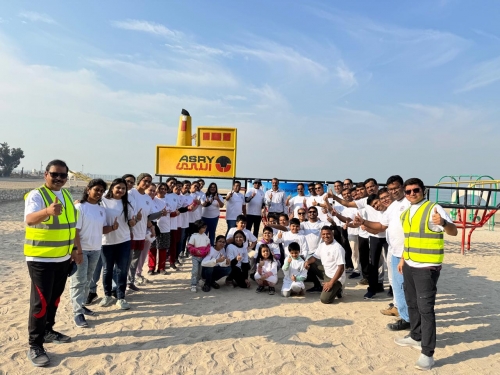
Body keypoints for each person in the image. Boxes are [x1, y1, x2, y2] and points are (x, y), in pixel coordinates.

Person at [394, 178, 457, 371]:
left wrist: (444, 222)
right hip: (410, 264)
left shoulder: (434, 208)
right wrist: (404, 258)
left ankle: (427, 353)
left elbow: (453, 231)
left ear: (423, 190)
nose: (412, 194)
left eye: (416, 190)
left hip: (427, 267)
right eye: (408, 191)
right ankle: (415, 336)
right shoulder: (406, 213)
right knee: (412, 303)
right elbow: (410, 238)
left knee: (426, 309)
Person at [24, 159, 81, 367]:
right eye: (54, 174)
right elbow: (29, 219)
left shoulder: (65, 195)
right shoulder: (37, 195)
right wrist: (47, 212)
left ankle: (48, 331)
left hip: (62, 258)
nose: (58, 178)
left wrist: (75, 250)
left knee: (54, 299)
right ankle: (35, 344)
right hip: (40, 259)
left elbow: (71, 226)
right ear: (45, 174)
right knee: (40, 303)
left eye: (62, 175)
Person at [353, 175, 411, 331]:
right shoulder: (391, 208)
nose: (391, 194)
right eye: (390, 190)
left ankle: (407, 317)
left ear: (402, 187)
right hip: (393, 250)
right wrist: (363, 222)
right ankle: (399, 309)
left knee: (405, 285)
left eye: (395, 188)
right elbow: (381, 226)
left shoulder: (408, 203)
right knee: (395, 283)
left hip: (406, 252)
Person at [71, 179, 114, 328]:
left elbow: (101, 229)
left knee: (88, 280)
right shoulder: (79, 207)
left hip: (96, 249)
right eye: (96, 189)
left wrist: (112, 228)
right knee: (78, 281)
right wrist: (78, 250)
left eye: (102, 191)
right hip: (82, 250)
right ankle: (77, 313)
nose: (99, 193)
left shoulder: (101, 209)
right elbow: (75, 231)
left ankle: (81, 305)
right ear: (88, 189)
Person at [99, 179, 136, 310]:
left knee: (121, 270)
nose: (121, 190)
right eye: (118, 187)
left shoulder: (127, 204)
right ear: (112, 188)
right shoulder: (102, 200)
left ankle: (121, 297)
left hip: (123, 241)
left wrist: (134, 221)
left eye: (123, 189)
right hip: (106, 241)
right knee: (107, 270)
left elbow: (131, 222)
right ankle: (107, 295)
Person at [127, 173, 156, 292]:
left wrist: (152, 227)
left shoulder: (148, 198)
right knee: (126, 261)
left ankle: (131, 282)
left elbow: (148, 217)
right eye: (145, 181)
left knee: (135, 260)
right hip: (129, 233)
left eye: (149, 181)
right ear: (139, 181)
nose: (147, 183)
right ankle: (120, 285)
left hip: (141, 233)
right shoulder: (130, 194)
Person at [304, 226, 346, 304]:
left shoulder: (337, 248)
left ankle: (338, 289)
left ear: (332, 234)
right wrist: (307, 262)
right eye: (323, 234)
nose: (326, 236)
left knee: (325, 300)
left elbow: (341, 269)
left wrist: (331, 283)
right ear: (321, 235)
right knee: (310, 263)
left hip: (335, 277)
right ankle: (317, 286)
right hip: (326, 272)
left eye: (328, 234)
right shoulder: (322, 245)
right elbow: (314, 257)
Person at [187, 220, 211, 292]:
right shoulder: (194, 236)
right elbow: (190, 246)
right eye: (203, 228)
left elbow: (208, 246)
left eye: (205, 227)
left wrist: (206, 251)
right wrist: (195, 250)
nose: (205, 229)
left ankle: (197, 283)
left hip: (203, 257)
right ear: (198, 228)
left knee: (200, 271)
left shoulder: (205, 236)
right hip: (195, 257)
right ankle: (193, 284)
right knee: (195, 270)